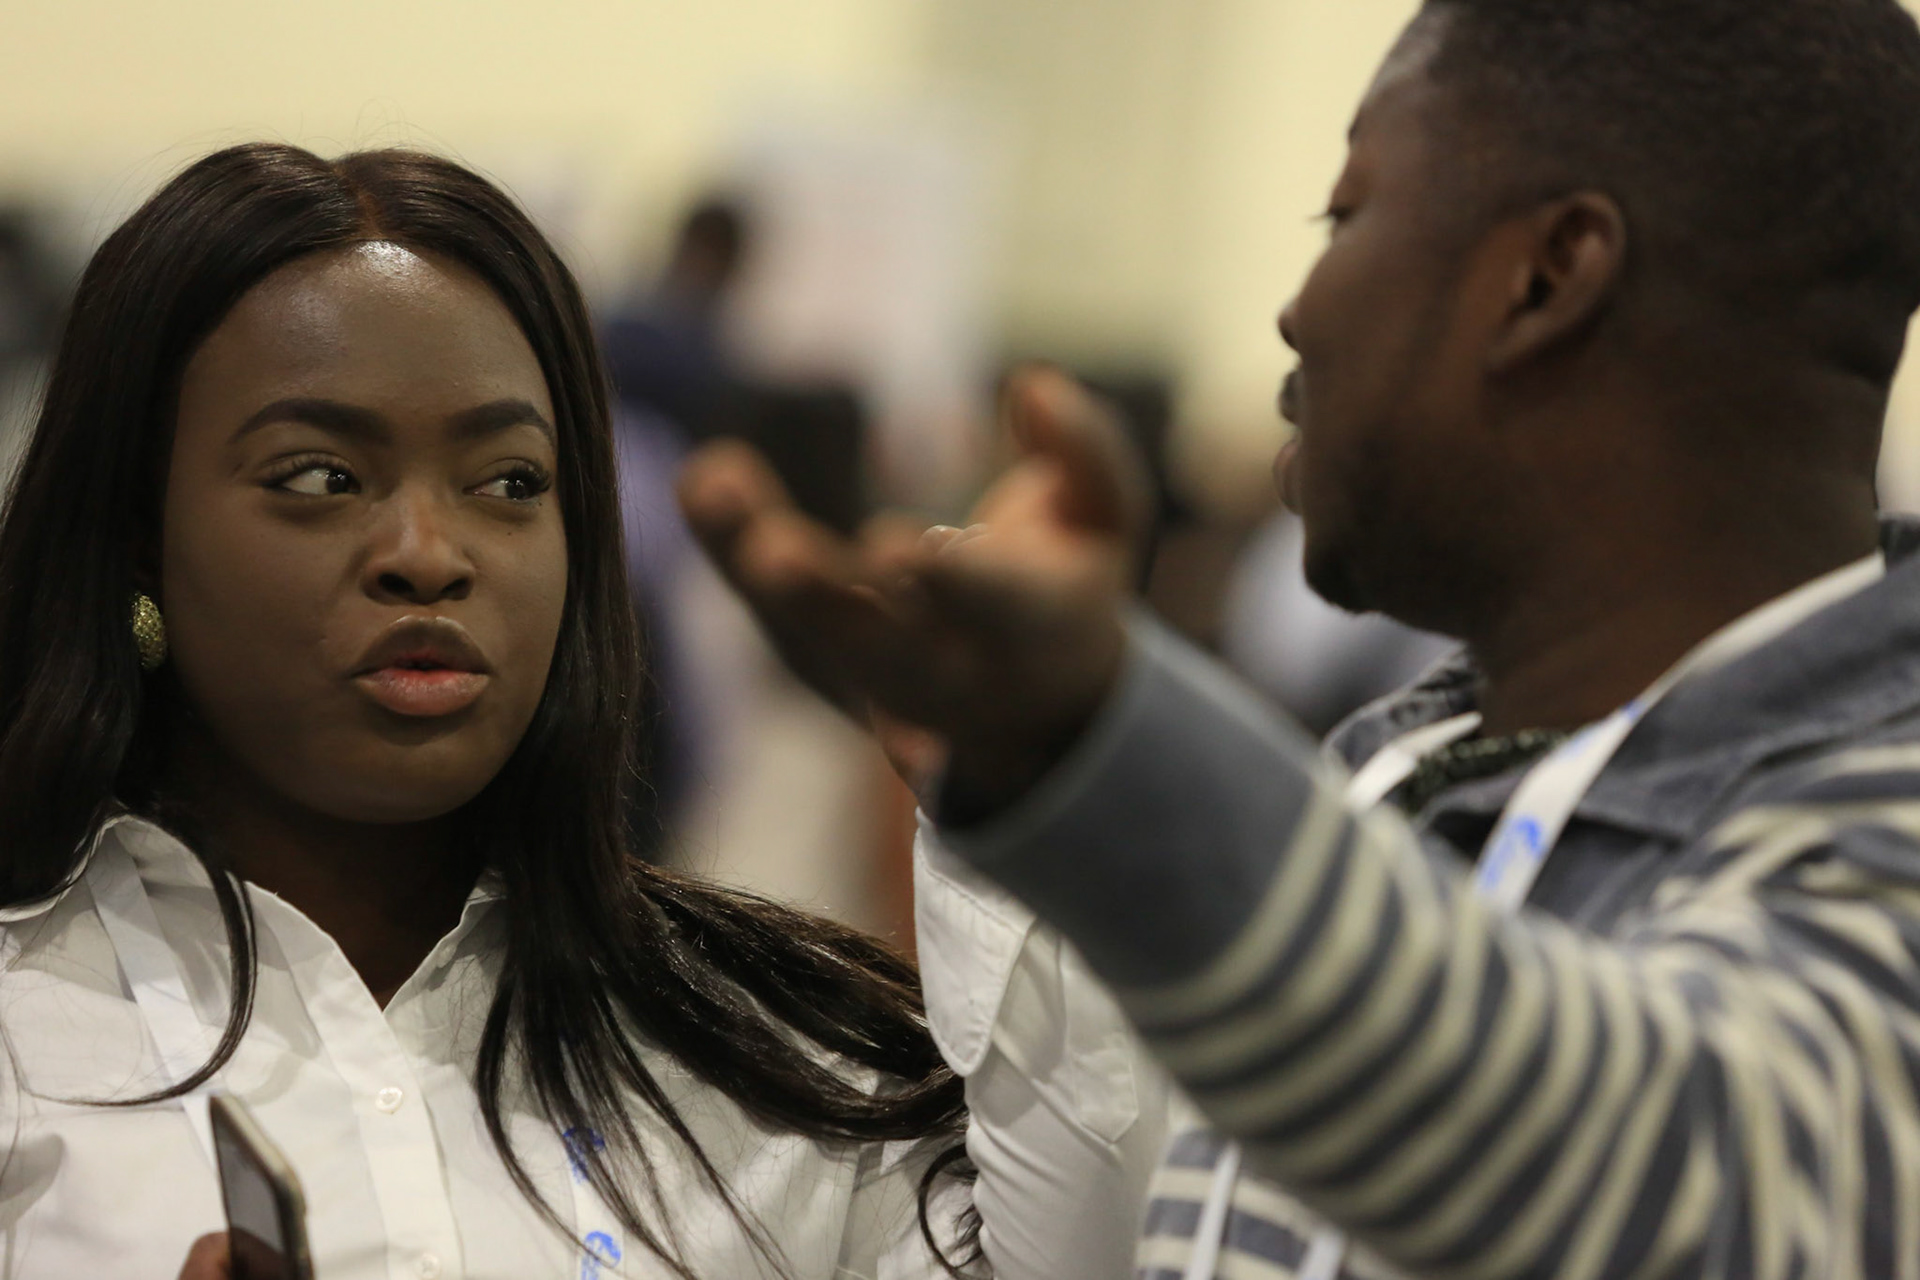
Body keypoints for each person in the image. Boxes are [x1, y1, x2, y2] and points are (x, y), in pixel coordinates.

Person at [679, 0, 1920, 1275]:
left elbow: (1655, 1174)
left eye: (1346, 216)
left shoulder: (1884, 812)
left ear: (1547, 277)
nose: (1295, 310)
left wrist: (1110, 749)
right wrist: (1008, 842)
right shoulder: (1400, 774)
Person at [0, 143, 1159, 1280]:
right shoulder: (32, 1028)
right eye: (320, 477)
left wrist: (1038, 798)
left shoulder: (776, 1062)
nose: (427, 554)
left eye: (509, 482)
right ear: (138, 533)